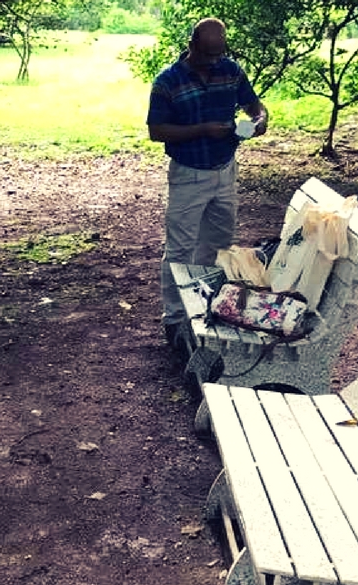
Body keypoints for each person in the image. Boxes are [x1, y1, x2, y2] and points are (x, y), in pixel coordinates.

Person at [147, 17, 269, 344]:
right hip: (189, 172)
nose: (214, 61)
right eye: (208, 55)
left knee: (218, 245)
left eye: (219, 54)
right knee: (180, 248)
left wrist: (260, 119)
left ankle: (203, 307)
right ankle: (174, 320)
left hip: (225, 169)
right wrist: (201, 130)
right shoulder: (167, 82)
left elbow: (253, 103)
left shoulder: (231, 70)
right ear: (192, 46)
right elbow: (156, 131)